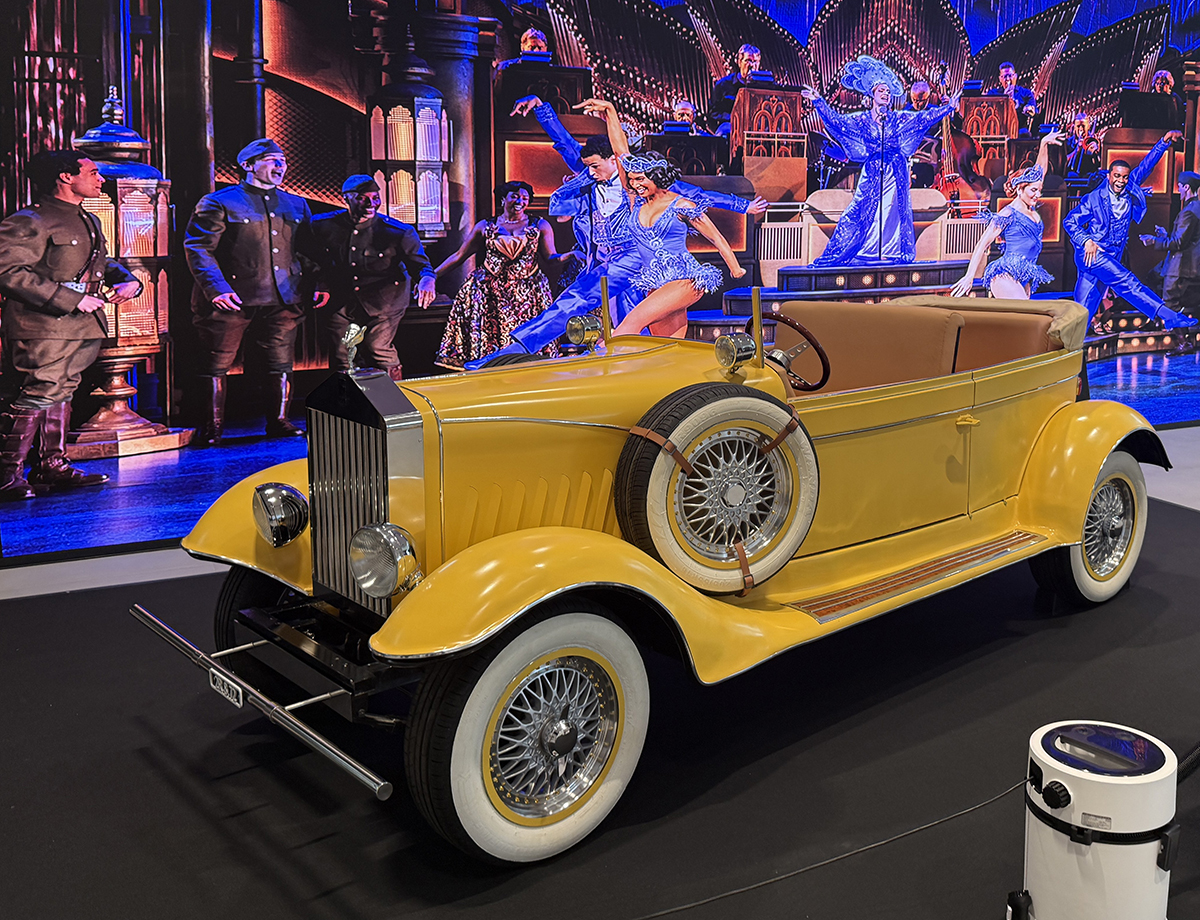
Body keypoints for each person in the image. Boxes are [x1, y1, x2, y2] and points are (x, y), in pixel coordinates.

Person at [468, 97, 765, 368]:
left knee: (640, 328)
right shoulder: (594, 173)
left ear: (612, 161)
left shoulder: (642, 182)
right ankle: (514, 351)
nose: (589, 171)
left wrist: (744, 206)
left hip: (640, 259)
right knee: (576, 302)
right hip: (607, 260)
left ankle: (640, 372)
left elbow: (698, 195)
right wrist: (541, 109)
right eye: (587, 167)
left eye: (595, 166)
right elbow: (564, 142)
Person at [0, 150, 141, 501]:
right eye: (92, 173)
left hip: (81, 325)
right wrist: (69, 299)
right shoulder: (31, 220)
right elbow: (8, 271)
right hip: (42, 325)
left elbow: (99, 261)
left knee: (62, 391)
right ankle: (6, 475)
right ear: (66, 177)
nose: (100, 179)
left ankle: (53, 466)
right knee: (39, 391)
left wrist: (127, 279)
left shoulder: (87, 219)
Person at [184, 137, 328, 446]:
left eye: (283, 161)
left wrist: (319, 284)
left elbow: (310, 251)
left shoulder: (295, 204)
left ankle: (279, 421)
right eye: (272, 160)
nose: (281, 166)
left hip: (283, 298)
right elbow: (199, 249)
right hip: (232, 298)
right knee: (216, 362)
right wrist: (216, 288)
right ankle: (211, 427)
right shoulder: (219, 202)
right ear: (247, 165)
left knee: (280, 361)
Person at [584, 99, 746, 337]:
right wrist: (610, 111)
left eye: (641, 179)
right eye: (632, 179)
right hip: (655, 283)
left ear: (657, 177)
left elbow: (716, 237)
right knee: (666, 345)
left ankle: (600, 359)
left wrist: (735, 267)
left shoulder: (682, 205)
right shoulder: (636, 200)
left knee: (630, 324)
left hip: (685, 280)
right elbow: (620, 153)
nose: (635, 184)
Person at [800, 56, 957, 266]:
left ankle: (890, 252)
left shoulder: (897, 118)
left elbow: (923, 118)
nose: (886, 94)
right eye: (882, 90)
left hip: (897, 170)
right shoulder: (861, 119)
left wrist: (948, 107)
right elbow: (836, 121)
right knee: (860, 209)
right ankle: (862, 250)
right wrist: (819, 101)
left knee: (893, 210)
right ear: (872, 94)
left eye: (888, 92)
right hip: (874, 170)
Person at [307, 175, 435, 378]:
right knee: (343, 353)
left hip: (385, 301)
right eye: (362, 198)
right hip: (343, 300)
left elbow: (421, 266)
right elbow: (312, 258)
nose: (370, 204)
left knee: (378, 348)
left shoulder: (398, 231)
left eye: (375, 198)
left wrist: (427, 281)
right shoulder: (322, 225)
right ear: (346, 198)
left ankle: (391, 397)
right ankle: (350, 397)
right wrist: (320, 284)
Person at [1063, 130, 1193, 329]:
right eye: (1116, 176)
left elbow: (1147, 165)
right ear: (1109, 176)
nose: (1121, 181)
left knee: (1084, 308)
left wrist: (1164, 141)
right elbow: (1069, 221)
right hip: (1094, 254)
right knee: (1129, 283)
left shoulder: (1130, 187)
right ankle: (1169, 316)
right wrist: (1086, 241)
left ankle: (1066, 342)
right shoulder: (1095, 198)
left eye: (1124, 177)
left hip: (1112, 254)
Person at [435, 181, 567, 368]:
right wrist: (431, 276)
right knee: (491, 341)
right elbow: (459, 256)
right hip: (490, 293)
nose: (520, 201)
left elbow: (551, 257)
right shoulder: (485, 226)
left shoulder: (539, 225)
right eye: (515, 196)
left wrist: (569, 255)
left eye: (525, 198)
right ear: (503, 199)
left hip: (528, 294)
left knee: (525, 342)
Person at [951, 131, 1066, 298]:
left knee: (1020, 314)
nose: (1038, 195)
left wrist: (1043, 144)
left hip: (1025, 276)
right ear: (1020, 189)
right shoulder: (1008, 213)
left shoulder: (1030, 206)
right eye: (1033, 190)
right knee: (1023, 311)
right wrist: (969, 276)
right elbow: (982, 243)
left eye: (1039, 190)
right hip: (1005, 276)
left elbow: (1040, 170)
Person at [1140, 171, 1200, 326]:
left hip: (1180, 267)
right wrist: (1165, 235)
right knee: (1152, 278)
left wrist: (1154, 240)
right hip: (1179, 265)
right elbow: (1185, 237)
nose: (1178, 190)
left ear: (1186, 187)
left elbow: (1179, 243)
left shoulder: (1189, 212)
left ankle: (1177, 335)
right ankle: (1156, 319)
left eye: (1179, 186)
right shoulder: (1194, 208)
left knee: (1171, 306)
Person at [706, 44, 763, 135]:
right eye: (748, 61)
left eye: (755, 61)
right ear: (739, 62)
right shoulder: (723, 85)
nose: (752, 65)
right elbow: (713, 114)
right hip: (730, 128)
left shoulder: (764, 87)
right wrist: (734, 118)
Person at [987, 61, 1039, 135]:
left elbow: (1035, 112)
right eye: (1005, 76)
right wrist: (1004, 98)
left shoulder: (1026, 93)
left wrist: (1030, 110)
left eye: (1010, 76)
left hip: (1019, 131)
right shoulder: (993, 94)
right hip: (998, 131)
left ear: (1015, 76)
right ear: (1000, 79)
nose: (1008, 79)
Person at [1064, 112, 1101, 178]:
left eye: (1083, 126)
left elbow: (1100, 163)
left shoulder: (1094, 141)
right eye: (1078, 126)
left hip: (1089, 177)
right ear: (1074, 127)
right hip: (1072, 177)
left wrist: (1094, 151)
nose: (1081, 129)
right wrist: (1077, 150)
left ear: (1088, 126)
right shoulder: (1068, 142)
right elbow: (1064, 161)